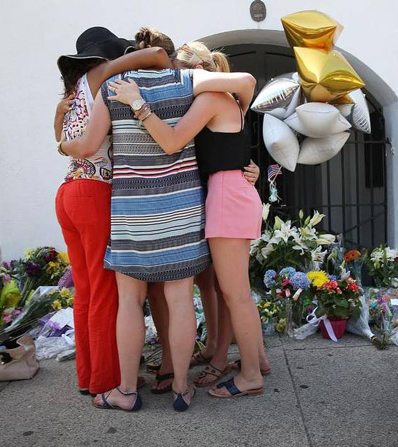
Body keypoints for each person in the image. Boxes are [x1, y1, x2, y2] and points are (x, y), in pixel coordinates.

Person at [59, 54, 258, 411]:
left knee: (129, 302)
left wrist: (62, 144)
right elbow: (244, 82)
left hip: (132, 209)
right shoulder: (186, 83)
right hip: (181, 206)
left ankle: (125, 390)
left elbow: (87, 147)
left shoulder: (112, 88)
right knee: (181, 299)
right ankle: (182, 388)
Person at [107, 41, 269, 399]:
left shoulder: (211, 99)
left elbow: (172, 142)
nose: (173, 81)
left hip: (227, 198)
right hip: (229, 193)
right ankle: (257, 359)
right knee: (232, 291)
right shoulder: (225, 99)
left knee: (235, 294)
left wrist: (138, 104)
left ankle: (251, 375)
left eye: (177, 74)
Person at [53, 26, 173, 397]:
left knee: (86, 292)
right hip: (94, 192)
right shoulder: (99, 76)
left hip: (69, 191)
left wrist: (61, 146)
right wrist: (130, 58)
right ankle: (107, 381)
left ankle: (89, 378)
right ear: (104, 58)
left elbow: (60, 140)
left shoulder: (72, 95)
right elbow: (158, 58)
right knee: (106, 292)